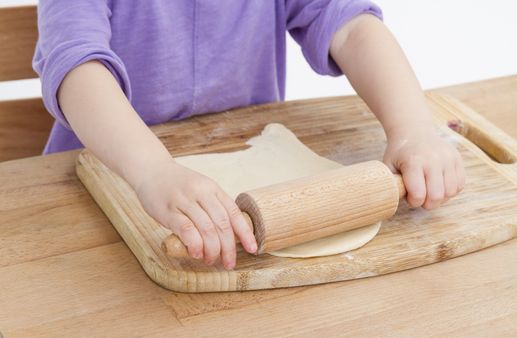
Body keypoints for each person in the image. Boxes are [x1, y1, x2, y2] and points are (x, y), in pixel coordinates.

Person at [33, 1, 465, 270]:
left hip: (247, 183)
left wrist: (412, 128)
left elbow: (351, 26)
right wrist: (153, 171)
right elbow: (75, 65)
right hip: (96, 190)